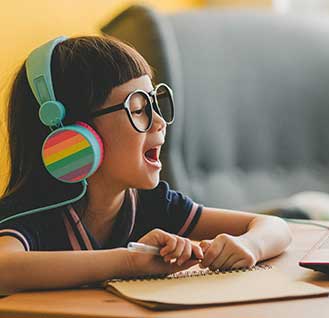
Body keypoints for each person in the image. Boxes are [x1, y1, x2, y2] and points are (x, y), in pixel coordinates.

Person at [0, 36, 292, 294]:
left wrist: (250, 246)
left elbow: (274, 226)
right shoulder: (33, 209)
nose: (159, 121)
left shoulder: (153, 203)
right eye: (138, 109)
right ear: (73, 137)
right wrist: (129, 261)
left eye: (155, 104)